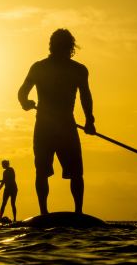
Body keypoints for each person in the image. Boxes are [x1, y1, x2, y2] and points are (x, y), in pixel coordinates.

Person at [18, 28, 96, 215]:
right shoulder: (73, 69)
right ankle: (60, 212)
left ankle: (66, 212)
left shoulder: (46, 68)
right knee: (54, 172)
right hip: (57, 127)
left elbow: (86, 97)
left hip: (55, 127)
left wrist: (90, 121)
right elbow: (22, 93)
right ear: (70, 47)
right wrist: (89, 121)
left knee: (53, 172)